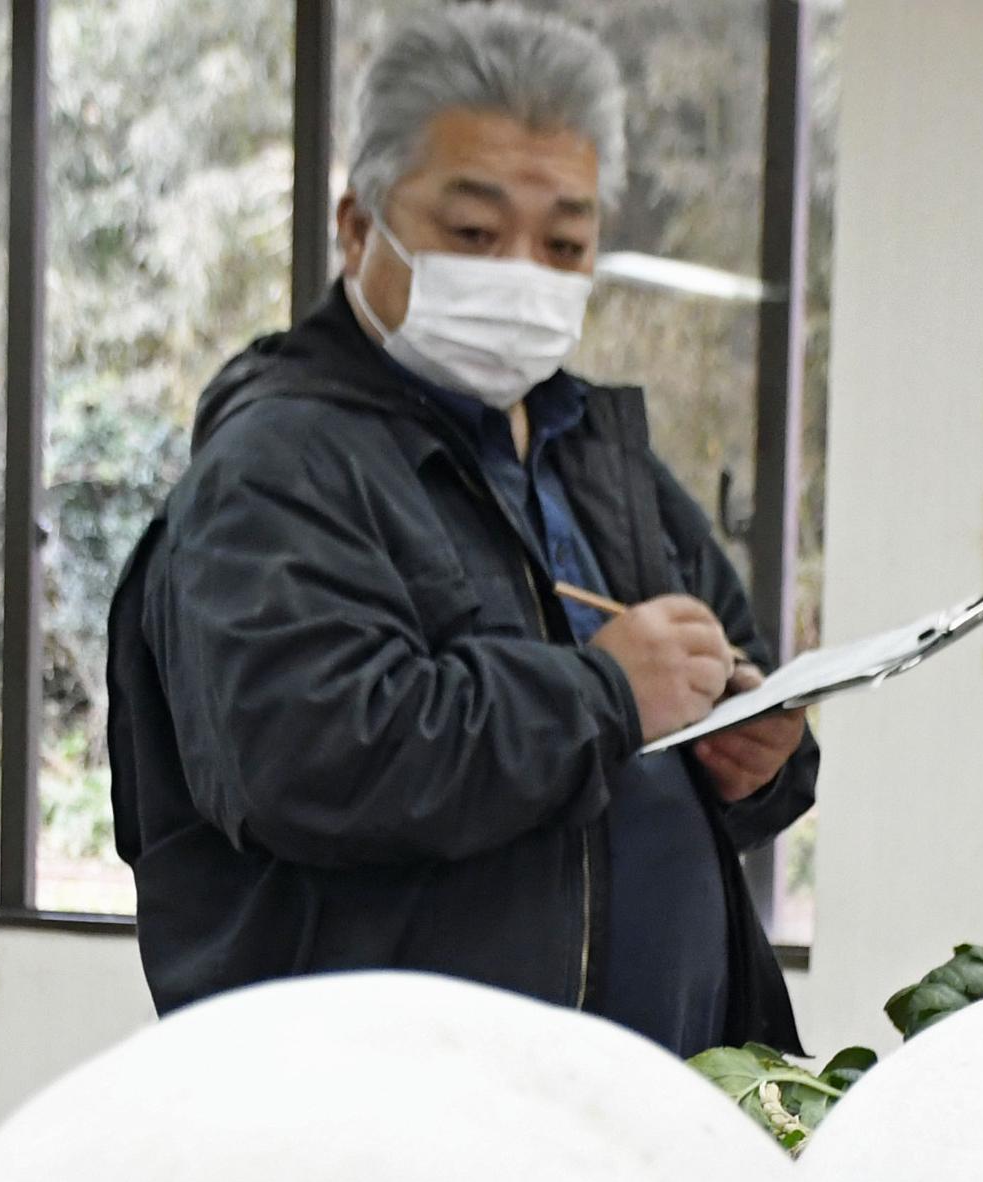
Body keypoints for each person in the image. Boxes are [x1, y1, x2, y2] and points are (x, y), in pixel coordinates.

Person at [105, 4, 814, 1056]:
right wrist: (605, 693)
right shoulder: (276, 469)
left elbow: (728, 681)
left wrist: (763, 755)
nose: (521, 271)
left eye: (563, 242)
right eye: (474, 233)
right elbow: (306, 760)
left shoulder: (594, 454)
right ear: (356, 226)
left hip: (654, 1104)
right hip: (393, 1127)